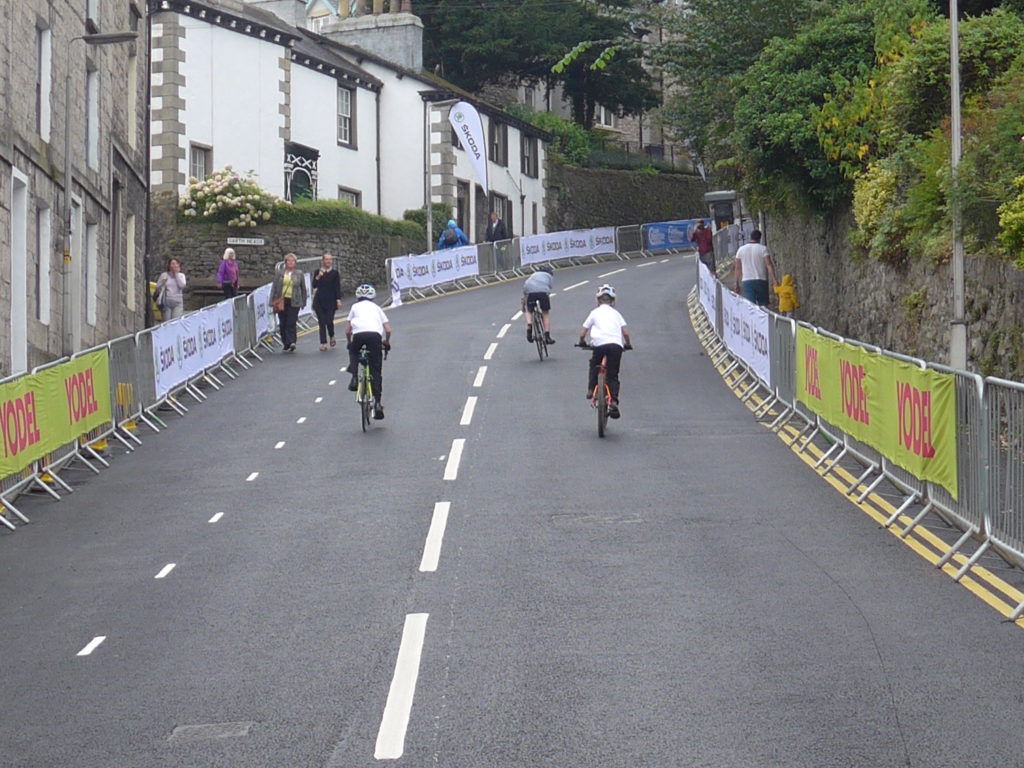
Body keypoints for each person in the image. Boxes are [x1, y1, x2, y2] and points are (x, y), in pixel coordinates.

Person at [578, 284, 632, 419]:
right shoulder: (616, 313)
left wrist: (581, 342)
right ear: (613, 302)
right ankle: (613, 401)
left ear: (598, 301)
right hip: (615, 345)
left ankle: (591, 389)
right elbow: (625, 332)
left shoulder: (594, 312)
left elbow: (584, 331)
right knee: (613, 374)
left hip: (599, 344)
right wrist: (628, 344)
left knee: (594, 365)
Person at [346, 284, 392, 420]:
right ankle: (377, 403)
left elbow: (348, 330)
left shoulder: (355, 307)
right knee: (376, 370)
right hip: (375, 336)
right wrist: (387, 342)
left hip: (359, 335)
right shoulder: (377, 308)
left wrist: (349, 342)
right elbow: (388, 330)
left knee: (353, 351)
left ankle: (354, 378)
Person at [269, 253, 308, 352]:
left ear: (295, 263)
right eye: (288, 261)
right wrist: (271, 301)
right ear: (285, 262)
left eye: (293, 261)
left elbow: (303, 288)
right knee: (283, 323)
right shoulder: (280, 273)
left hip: (294, 300)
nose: (290, 263)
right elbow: (274, 287)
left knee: (291, 321)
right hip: (281, 300)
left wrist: (304, 301)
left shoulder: (299, 273)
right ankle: (285, 343)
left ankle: (292, 342)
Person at [733, 229, 777, 307]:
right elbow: (769, 264)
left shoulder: (741, 250)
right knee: (763, 306)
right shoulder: (763, 249)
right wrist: (774, 279)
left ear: (750, 237)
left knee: (750, 306)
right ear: (760, 238)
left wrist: (736, 283)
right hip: (761, 280)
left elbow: (737, 268)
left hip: (747, 281)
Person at [311, 253, 343, 351]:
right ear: (323, 261)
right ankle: (323, 343)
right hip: (319, 301)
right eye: (326, 259)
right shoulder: (318, 271)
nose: (328, 261)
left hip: (331, 301)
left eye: (330, 259)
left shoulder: (335, 273)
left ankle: (332, 335)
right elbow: (314, 285)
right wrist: (318, 277)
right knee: (321, 322)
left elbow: (337, 287)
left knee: (329, 321)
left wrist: (338, 300)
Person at [521, 264, 556, 345]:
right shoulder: (549, 276)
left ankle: (530, 324)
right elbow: (549, 288)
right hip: (543, 292)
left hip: (529, 290)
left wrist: (523, 306)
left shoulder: (534, 274)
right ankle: (547, 336)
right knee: (545, 312)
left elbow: (525, 291)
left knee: (528, 309)